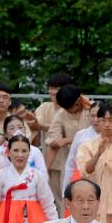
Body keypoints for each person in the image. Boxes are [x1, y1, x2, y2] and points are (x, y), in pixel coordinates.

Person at [46, 84, 91, 213]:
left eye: (70, 108)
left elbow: (99, 134)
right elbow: (53, 143)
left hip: (95, 166)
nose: (68, 111)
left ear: (78, 102)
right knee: (66, 201)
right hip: (70, 166)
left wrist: (67, 140)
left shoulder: (93, 110)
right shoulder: (61, 114)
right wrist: (44, 171)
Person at [0, 115, 48, 180]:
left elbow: (44, 176)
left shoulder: (35, 151)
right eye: (12, 128)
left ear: (25, 130)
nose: (17, 131)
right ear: (5, 133)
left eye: (20, 127)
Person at [26, 74, 73, 146]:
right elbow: (37, 124)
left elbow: (63, 128)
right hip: (47, 155)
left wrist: (40, 126)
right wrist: (31, 124)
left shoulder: (74, 109)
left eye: (56, 89)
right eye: (51, 88)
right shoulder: (44, 107)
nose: (52, 92)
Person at [63, 101, 101, 189]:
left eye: (98, 116)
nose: (95, 119)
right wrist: (66, 189)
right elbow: (71, 163)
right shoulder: (80, 135)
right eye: (92, 116)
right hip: (82, 181)